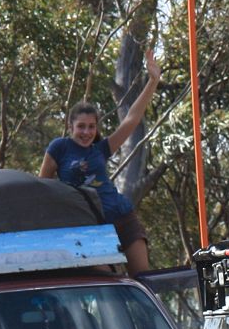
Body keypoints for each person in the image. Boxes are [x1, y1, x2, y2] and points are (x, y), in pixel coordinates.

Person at [40, 50, 162, 275]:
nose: (86, 132)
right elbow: (43, 188)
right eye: (81, 127)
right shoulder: (60, 147)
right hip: (90, 227)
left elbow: (132, 119)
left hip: (121, 216)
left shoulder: (101, 149)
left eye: (91, 127)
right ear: (71, 127)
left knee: (144, 278)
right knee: (106, 280)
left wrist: (153, 81)